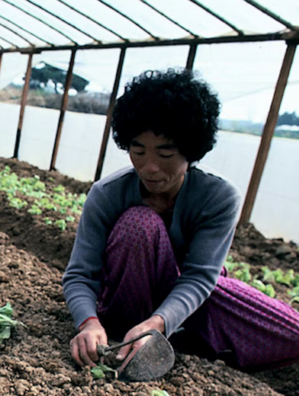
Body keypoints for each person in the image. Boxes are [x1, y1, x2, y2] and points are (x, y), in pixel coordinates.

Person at [63, 69, 299, 375]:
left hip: (185, 300)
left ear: (191, 150)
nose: (149, 167)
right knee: (140, 223)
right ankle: (130, 335)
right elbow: (80, 274)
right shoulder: (107, 194)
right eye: (138, 150)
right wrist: (88, 322)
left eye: (165, 153)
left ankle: (180, 337)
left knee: (291, 333)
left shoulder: (218, 197)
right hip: (124, 300)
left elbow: (200, 278)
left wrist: (158, 323)